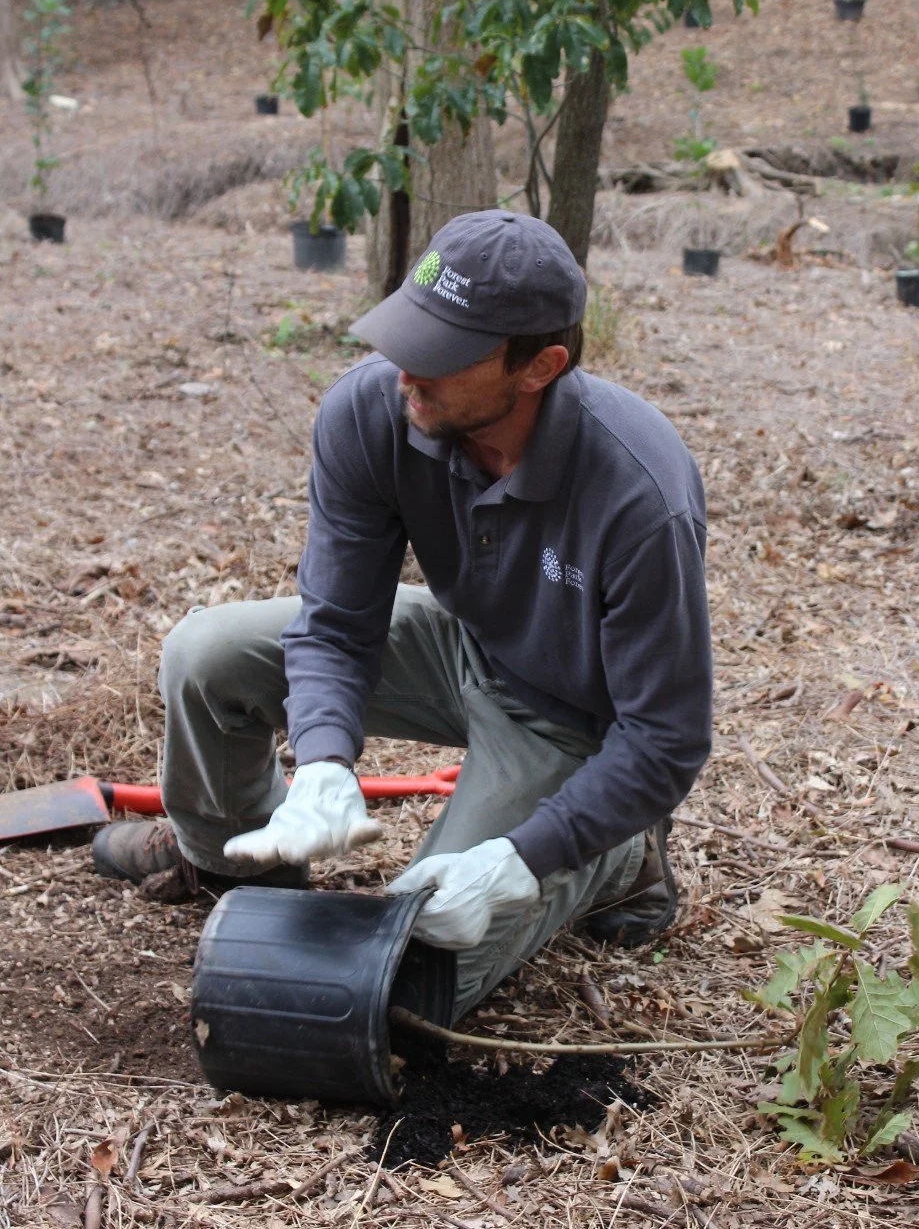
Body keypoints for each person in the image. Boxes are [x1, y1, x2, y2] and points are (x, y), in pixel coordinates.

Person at [92, 210, 713, 1022]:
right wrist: (321, 760)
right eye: (404, 336)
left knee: (397, 982)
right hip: (462, 641)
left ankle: (621, 857)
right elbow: (336, 621)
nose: (403, 373)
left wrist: (524, 859)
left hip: (570, 722)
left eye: (440, 356)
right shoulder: (373, 413)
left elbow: (666, 738)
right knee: (205, 655)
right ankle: (235, 865)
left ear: (539, 367)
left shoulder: (639, 495)